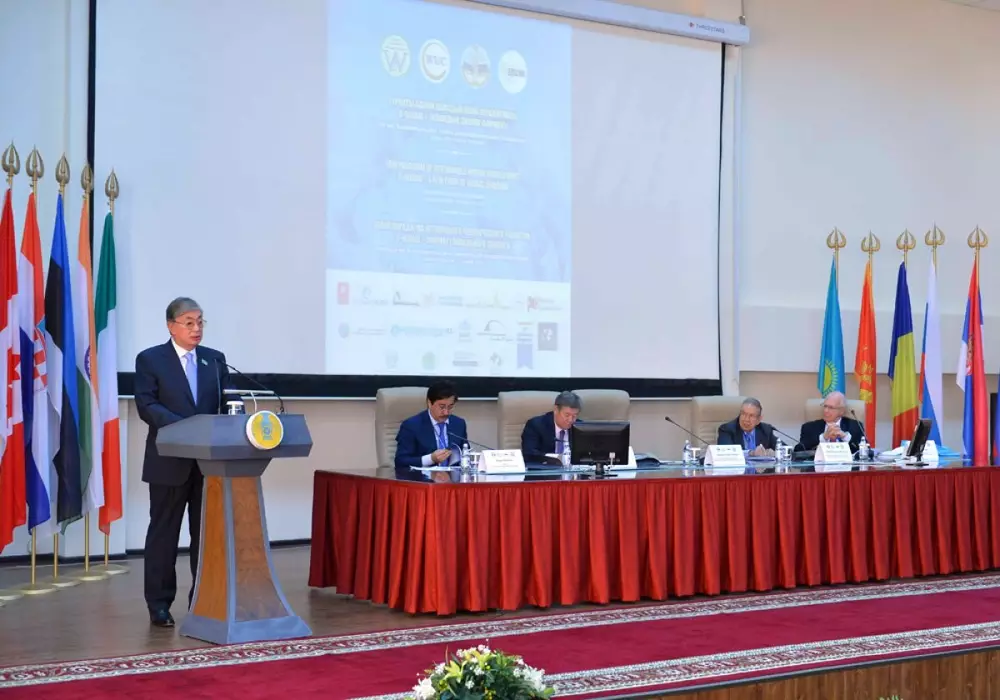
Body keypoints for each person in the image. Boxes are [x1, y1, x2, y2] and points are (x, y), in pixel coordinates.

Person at [134, 297, 229, 628]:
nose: (196, 328)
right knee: (164, 536)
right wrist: (185, 427)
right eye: (189, 322)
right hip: (168, 462)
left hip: (208, 464)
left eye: (200, 322)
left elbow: (227, 402)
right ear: (171, 326)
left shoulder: (214, 360)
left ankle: (203, 600)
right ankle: (159, 604)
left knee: (205, 537)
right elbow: (147, 405)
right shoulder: (150, 359)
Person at [394, 381, 468, 475]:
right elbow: (400, 461)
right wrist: (430, 459)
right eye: (442, 407)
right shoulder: (411, 426)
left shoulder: (459, 424)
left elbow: (465, 454)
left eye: (450, 407)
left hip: (453, 480)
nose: (446, 412)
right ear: (429, 403)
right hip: (422, 480)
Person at [521, 391, 582, 463]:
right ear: (556, 410)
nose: (570, 420)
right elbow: (529, 454)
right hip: (545, 468)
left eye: (574, 416)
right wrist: (557, 458)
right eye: (567, 415)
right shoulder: (536, 425)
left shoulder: (581, 428)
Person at [796, 391, 863, 453]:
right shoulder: (809, 428)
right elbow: (798, 451)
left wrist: (845, 437)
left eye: (831, 407)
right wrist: (823, 438)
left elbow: (864, 452)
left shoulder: (855, 426)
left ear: (841, 411)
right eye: (825, 406)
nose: (826, 410)